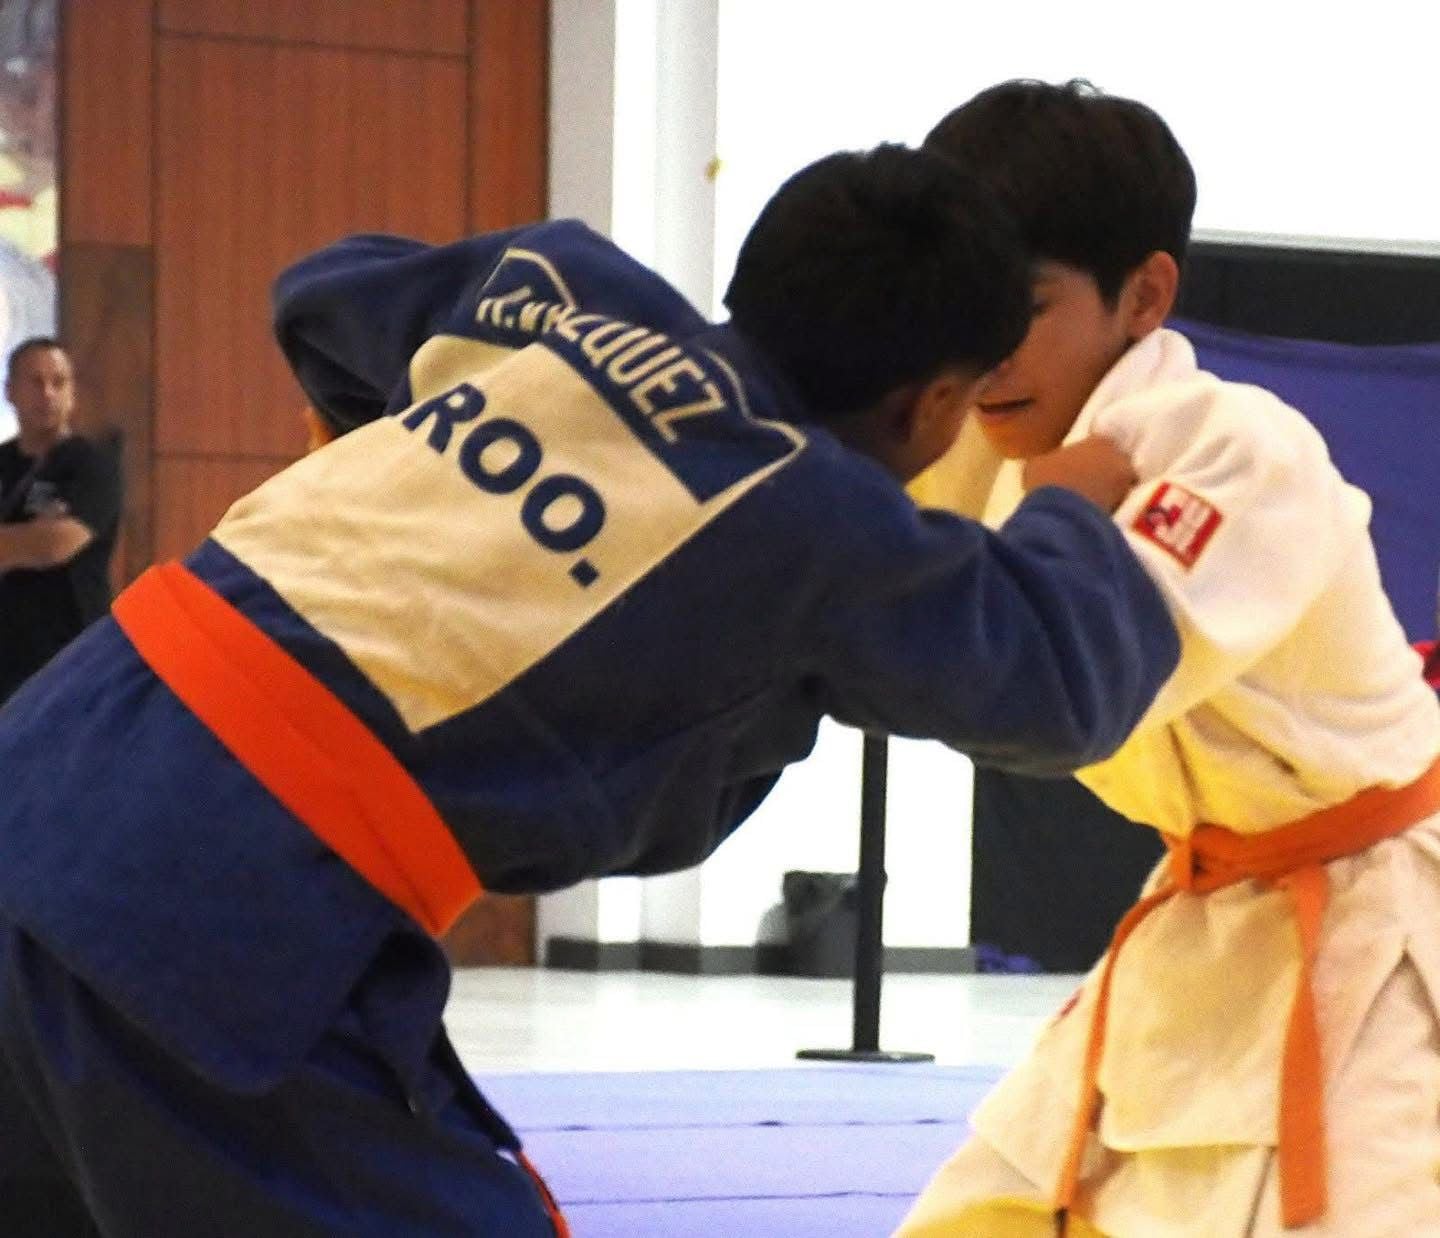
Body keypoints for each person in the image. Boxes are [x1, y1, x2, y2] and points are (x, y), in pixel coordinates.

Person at [0, 143, 1181, 1237]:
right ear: (931, 405)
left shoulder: (557, 289)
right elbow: (1060, 683)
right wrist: (1074, 504)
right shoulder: (816, 514)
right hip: (202, 905)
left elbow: (326, 288)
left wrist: (419, 478)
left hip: (50, 754)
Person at [895, 81, 1440, 1237]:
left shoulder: (1238, 449)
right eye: (952, 306)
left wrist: (1063, 526)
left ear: (1143, 295)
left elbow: (1049, 694)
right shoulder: (985, 442)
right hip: (1209, 898)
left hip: (1379, 919)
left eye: (1022, 307)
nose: (983, 351)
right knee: (987, 1213)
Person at [0, 337, 122, 704]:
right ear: (9, 391)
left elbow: (55, 545)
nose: (48, 394)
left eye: (59, 382)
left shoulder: (90, 465)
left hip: (69, 656)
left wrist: (25, 543)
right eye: (35, 382)